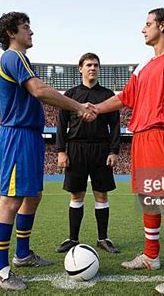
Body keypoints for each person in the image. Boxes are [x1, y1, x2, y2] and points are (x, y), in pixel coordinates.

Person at [93, 8, 164, 295]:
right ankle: (151, 257)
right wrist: (93, 109)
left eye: (148, 23)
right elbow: (124, 99)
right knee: (146, 198)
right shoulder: (142, 67)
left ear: (162, 26)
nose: (143, 29)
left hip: (159, 135)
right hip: (139, 136)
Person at [0, 11, 96, 291]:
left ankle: (22, 254)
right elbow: (39, 90)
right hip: (17, 135)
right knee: (11, 199)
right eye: (26, 27)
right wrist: (78, 106)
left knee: (33, 196)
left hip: (31, 136)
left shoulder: (22, 59)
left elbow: (40, 91)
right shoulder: (12, 57)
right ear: (11, 33)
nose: (32, 32)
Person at [55, 53, 121, 254]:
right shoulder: (70, 94)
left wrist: (114, 151)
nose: (92, 68)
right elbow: (61, 125)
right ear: (80, 68)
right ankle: (73, 238)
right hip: (76, 149)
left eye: (96, 65)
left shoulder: (108, 95)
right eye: (88, 65)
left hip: (101, 149)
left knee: (101, 195)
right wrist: (61, 151)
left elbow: (115, 126)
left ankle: (103, 238)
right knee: (77, 195)